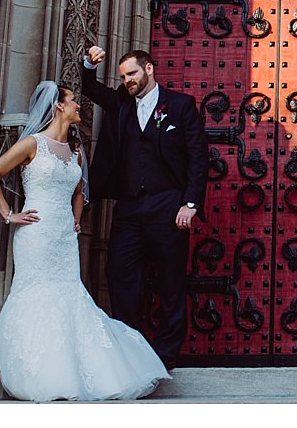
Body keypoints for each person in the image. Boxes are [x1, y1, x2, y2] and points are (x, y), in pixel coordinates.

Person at [0, 80, 168, 400]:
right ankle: (42, 374)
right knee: (39, 294)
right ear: (58, 106)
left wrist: (77, 219)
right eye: (73, 102)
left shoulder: (75, 151)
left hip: (64, 237)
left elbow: (80, 191)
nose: (79, 106)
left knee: (70, 296)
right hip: (36, 233)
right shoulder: (32, 144)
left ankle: (77, 371)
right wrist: (9, 215)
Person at [80, 45, 208, 358]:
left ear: (149, 69)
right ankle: (130, 346)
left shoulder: (180, 105)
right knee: (119, 271)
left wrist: (189, 204)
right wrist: (88, 63)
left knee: (171, 278)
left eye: (133, 74)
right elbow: (90, 88)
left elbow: (197, 157)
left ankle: (166, 353)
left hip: (168, 205)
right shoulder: (122, 102)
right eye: (123, 76)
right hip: (129, 206)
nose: (128, 81)